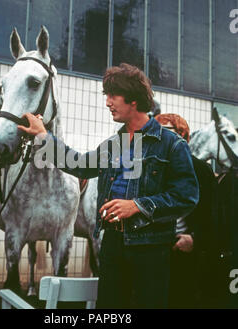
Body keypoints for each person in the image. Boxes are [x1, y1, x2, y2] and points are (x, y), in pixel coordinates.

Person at [18, 63, 199, 309]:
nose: (108, 102)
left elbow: (187, 195)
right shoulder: (114, 144)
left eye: (113, 95)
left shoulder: (172, 145)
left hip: (151, 249)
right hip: (112, 244)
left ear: (133, 99)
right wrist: (43, 136)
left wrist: (138, 205)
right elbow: (80, 164)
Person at [155, 113, 218, 308]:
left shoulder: (201, 171)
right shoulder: (149, 169)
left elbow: (213, 217)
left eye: (167, 132)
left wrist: (195, 239)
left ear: (183, 137)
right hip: (153, 253)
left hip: (186, 254)